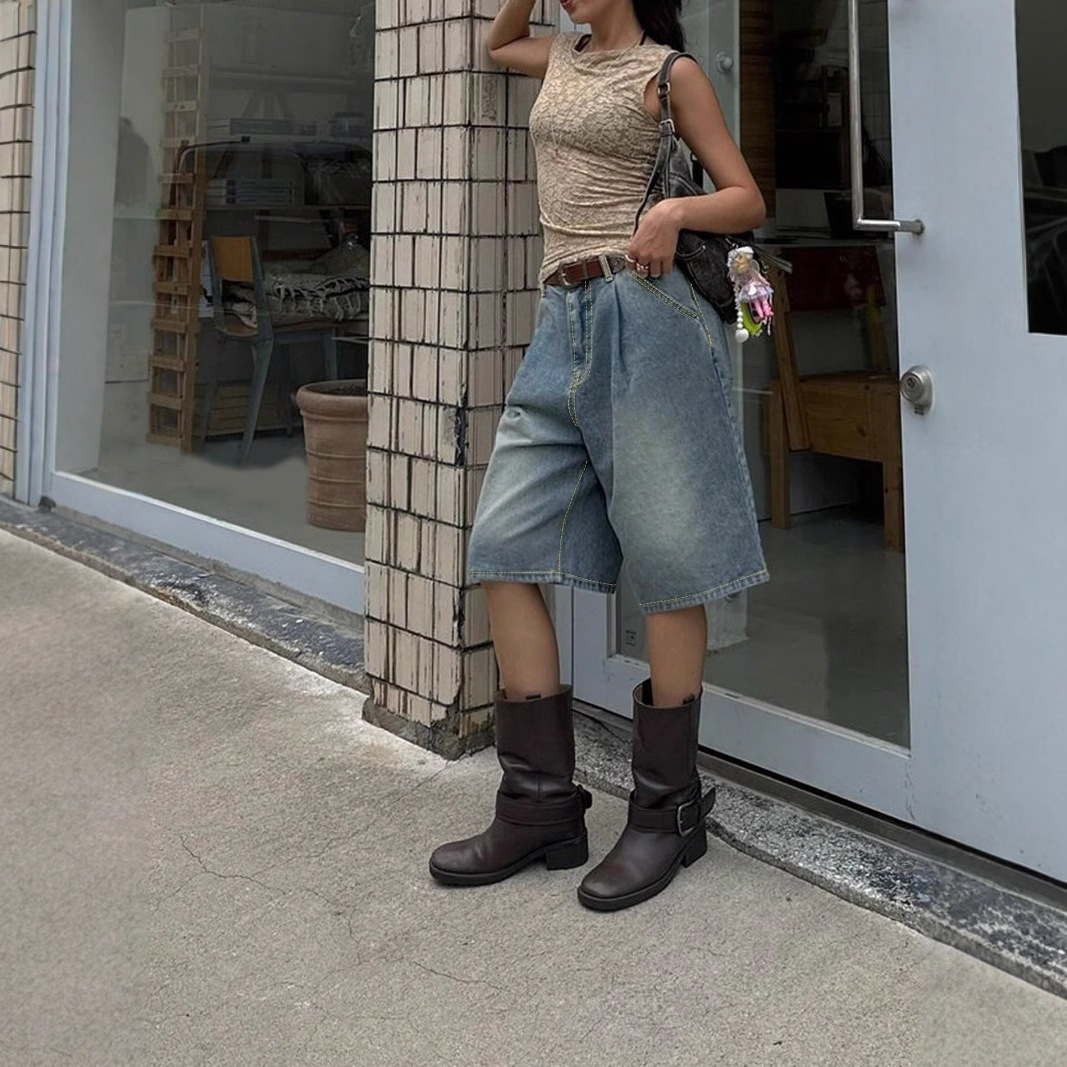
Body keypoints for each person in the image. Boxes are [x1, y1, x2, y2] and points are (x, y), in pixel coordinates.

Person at [428, 0, 769, 911]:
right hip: (560, 316)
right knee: (504, 544)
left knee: (668, 557)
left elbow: (744, 196)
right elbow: (498, 42)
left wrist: (674, 210)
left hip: (645, 314)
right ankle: (539, 804)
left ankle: (666, 812)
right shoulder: (562, 57)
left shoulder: (668, 73)